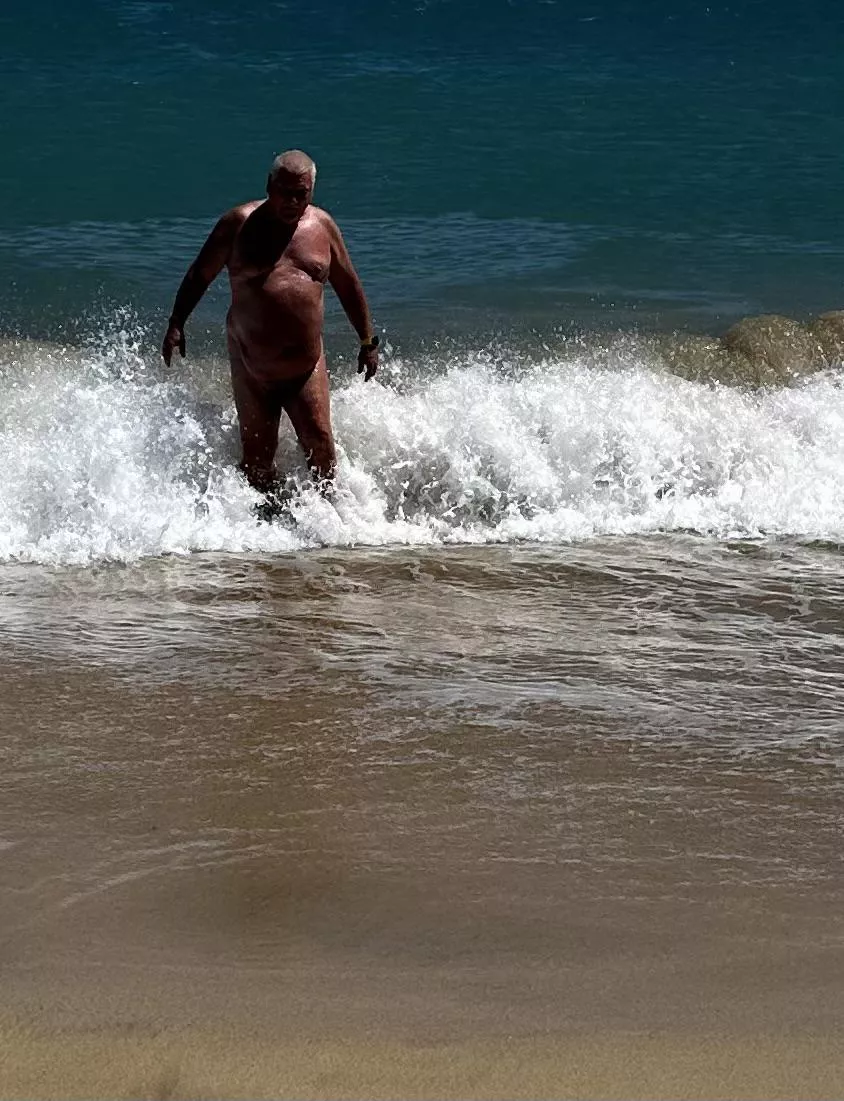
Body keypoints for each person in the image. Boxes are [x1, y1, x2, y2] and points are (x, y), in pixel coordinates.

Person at [161, 149, 379, 501]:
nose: (293, 202)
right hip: (252, 367)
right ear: (268, 185)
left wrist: (368, 341)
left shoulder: (322, 227)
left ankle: (332, 536)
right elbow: (199, 274)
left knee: (321, 448)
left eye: (302, 194)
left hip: (305, 366)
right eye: (285, 191)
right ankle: (261, 542)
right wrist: (176, 323)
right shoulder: (238, 224)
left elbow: (348, 284)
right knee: (257, 460)